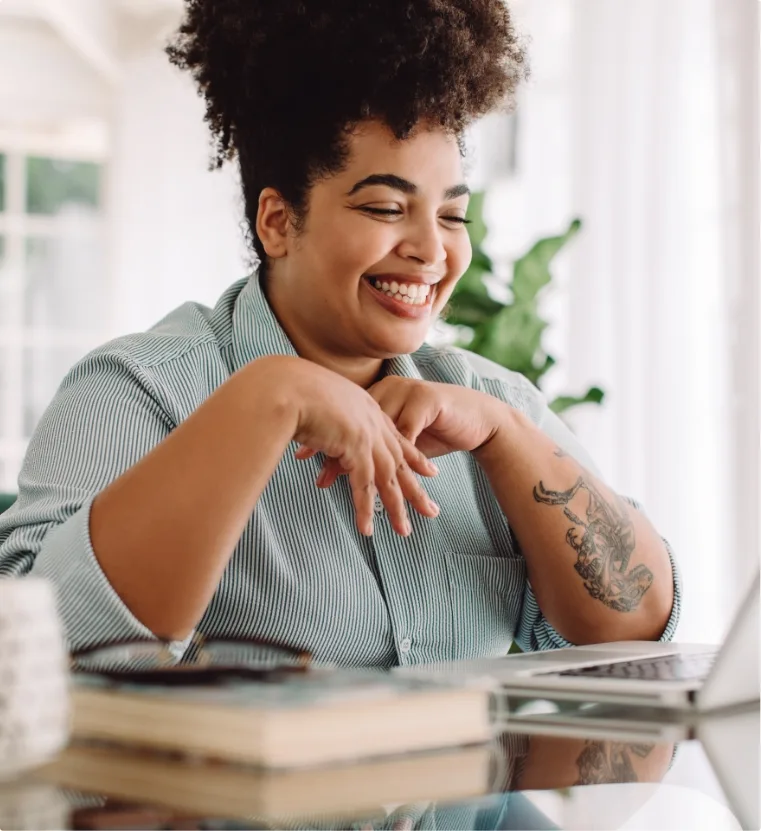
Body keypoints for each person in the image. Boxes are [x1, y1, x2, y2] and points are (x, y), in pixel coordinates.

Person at [0, 0, 679, 663]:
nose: (430, 250)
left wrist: (507, 439)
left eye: (451, 217)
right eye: (386, 206)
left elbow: (633, 631)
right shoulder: (136, 392)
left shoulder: (489, 404)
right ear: (277, 222)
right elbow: (42, 650)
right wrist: (268, 396)